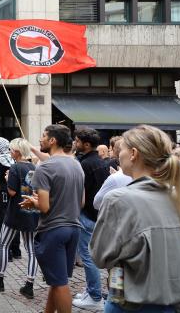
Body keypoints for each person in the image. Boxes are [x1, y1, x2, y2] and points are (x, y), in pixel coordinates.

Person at [91, 125, 180, 313]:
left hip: (132, 303)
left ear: (133, 153)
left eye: (121, 149)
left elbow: (100, 256)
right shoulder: (177, 196)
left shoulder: (118, 199)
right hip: (174, 302)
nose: (117, 154)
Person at [20, 124, 84, 313]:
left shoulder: (45, 168)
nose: (40, 139)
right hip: (73, 228)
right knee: (57, 280)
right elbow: (81, 202)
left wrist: (33, 203)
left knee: (60, 283)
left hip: (53, 230)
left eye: (43, 135)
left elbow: (45, 206)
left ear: (52, 140)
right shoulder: (76, 164)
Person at [0, 138, 39, 299]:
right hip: (30, 210)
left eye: (11, 150)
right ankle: (29, 284)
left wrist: (9, 176)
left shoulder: (15, 167)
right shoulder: (33, 167)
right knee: (31, 249)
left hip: (15, 212)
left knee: (3, 244)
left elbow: (11, 192)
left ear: (16, 152)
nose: (10, 152)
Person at [72, 127, 110, 311]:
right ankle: (91, 291)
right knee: (89, 256)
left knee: (87, 257)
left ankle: (94, 296)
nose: (75, 143)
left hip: (87, 215)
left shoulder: (86, 164)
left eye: (77, 141)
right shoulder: (98, 161)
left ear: (86, 144)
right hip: (94, 215)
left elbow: (82, 194)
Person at [0, 137, 20, 260]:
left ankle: (5, 251)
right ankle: (16, 250)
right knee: (14, 220)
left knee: (3, 221)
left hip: (3, 194)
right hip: (14, 193)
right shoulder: (14, 160)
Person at [93, 138, 132, 210]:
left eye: (111, 149)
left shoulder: (116, 178)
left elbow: (97, 203)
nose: (110, 151)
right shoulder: (153, 176)